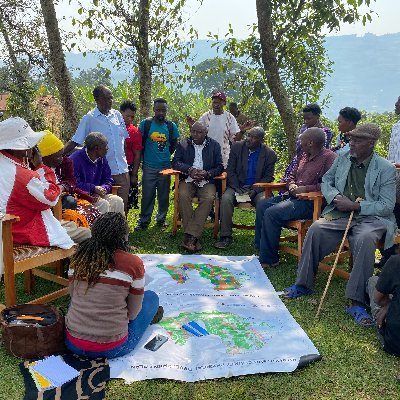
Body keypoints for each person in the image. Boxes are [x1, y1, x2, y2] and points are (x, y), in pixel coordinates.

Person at [284, 124, 396, 327]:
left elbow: (386, 205)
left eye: (357, 140)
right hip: (340, 213)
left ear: (371, 144)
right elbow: (327, 180)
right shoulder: (343, 157)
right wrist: (335, 197)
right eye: (351, 139)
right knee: (316, 229)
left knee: (364, 238)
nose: (351, 143)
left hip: (371, 219)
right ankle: (303, 284)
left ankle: (357, 301)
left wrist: (355, 205)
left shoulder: (386, 168)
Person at [65, 212, 161, 358]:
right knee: (151, 298)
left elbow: (73, 295)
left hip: (72, 343)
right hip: (111, 348)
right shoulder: (133, 263)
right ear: (123, 237)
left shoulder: (78, 257)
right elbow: (133, 314)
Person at [255, 128, 336, 267]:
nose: (299, 140)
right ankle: (261, 248)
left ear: (310, 142)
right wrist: (292, 184)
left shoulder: (330, 158)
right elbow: (291, 175)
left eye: (302, 138)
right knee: (263, 205)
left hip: (311, 202)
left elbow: (330, 185)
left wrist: (305, 189)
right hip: (292, 196)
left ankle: (269, 259)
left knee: (272, 213)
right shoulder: (303, 155)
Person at [0, 117, 73, 249]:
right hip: (20, 232)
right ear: (17, 146)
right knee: (85, 235)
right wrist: (41, 167)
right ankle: (71, 268)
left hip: (7, 228)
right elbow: (50, 199)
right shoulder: (21, 174)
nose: (33, 147)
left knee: (70, 226)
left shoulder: (5, 163)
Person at [63, 85, 130, 213]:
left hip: (121, 169)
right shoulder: (89, 118)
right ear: (97, 99)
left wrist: (128, 165)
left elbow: (123, 142)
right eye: (106, 98)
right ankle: (104, 231)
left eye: (111, 98)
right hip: (102, 170)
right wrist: (58, 155)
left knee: (121, 204)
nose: (110, 101)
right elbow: (75, 140)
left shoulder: (117, 115)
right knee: (104, 207)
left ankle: (120, 232)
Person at [215, 127, 277, 249]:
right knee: (226, 198)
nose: (249, 139)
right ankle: (225, 236)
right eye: (248, 135)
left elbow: (268, 177)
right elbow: (230, 170)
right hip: (237, 185)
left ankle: (261, 239)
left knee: (264, 201)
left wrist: (255, 190)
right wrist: (236, 187)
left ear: (261, 139)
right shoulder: (237, 147)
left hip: (257, 188)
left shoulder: (269, 154)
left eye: (253, 137)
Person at [172, 122, 223, 252]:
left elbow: (219, 166)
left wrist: (207, 173)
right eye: (193, 131)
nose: (195, 134)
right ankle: (193, 237)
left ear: (206, 133)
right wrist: (189, 170)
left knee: (209, 198)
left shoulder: (214, 145)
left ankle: (189, 236)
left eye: (199, 132)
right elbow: (175, 162)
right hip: (188, 179)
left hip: (206, 181)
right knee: (182, 195)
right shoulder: (183, 144)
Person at [37, 131, 93, 242]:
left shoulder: (65, 162)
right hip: (51, 207)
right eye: (58, 156)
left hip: (65, 198)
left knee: (84, 208)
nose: (62, 158)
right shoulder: (36, 171)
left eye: (62, 154)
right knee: (71, 204)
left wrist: (62, 187)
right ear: (45, 157)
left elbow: (71, 182)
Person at [135, 98, 180, 230]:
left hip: (165, 167)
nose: (161, 113)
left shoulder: (171, 126)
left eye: (163, 110)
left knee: (163, 195)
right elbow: (140, 143)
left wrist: (165, 156)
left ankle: (161, 219)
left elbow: (174, 144)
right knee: (147, 195)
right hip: (149, 166)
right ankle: (144, 221)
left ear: (166, 111)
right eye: (158, 110)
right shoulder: (146, 124)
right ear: (154, 110)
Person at [188, 91, 254, 168]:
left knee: (222, 178)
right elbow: (197, 133)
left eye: (219, 103)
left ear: (224, 103)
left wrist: (242, 131)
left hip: (223, 156)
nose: (216, 105)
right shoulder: (206, 116)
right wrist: (192, 126)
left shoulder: (229, 118)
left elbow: (235, 140)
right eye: (214, 102)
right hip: (206, 155)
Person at [69, 132, 125, 216]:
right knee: (103, 204)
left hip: (98, 195)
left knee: (117, 201)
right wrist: (93, 188)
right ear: (96, 148)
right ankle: (101, 229)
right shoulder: (74, 160)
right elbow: (73, 184)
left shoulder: (102, 159)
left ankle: (118, 228)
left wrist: (103, 188)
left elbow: (108, 179)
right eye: (105, 146)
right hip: (81, 197)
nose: (107, 148)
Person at [281, 103, 333, 182]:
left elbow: (319, 150)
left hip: (314, 165)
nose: (306, 121)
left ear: (317, 116)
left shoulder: (325, 132)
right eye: (304, 119)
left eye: (309, 119)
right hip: (299, 162)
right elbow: (298, 149)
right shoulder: (303, 128)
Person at [367, 255, 400, 357]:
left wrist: (389, 304)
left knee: (373, 281)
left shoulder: (396, 261)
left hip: (395, 344)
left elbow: (378, 299)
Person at [120, 100, 142, 210]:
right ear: (121, 113)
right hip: (112, 167)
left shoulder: (134, 132)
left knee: (126, 199)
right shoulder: (113, 127)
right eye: (127, 116)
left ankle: (124, 222)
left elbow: (137, 154)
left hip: (128, 167)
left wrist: (133, 175)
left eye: (132, 117)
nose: (129, 119)